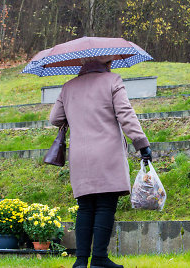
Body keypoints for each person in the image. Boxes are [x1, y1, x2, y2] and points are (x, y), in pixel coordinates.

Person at [49, 56, 152, 268]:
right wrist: (141, 143)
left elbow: (55, 118)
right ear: (107, 63)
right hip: (107, 153)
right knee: (105, 206)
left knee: (85, 207)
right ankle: (99, 259)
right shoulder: (113, 81)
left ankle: (80, 261)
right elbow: (125, 114)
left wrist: (77, 111)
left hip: (80, 156)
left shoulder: (68, 87)